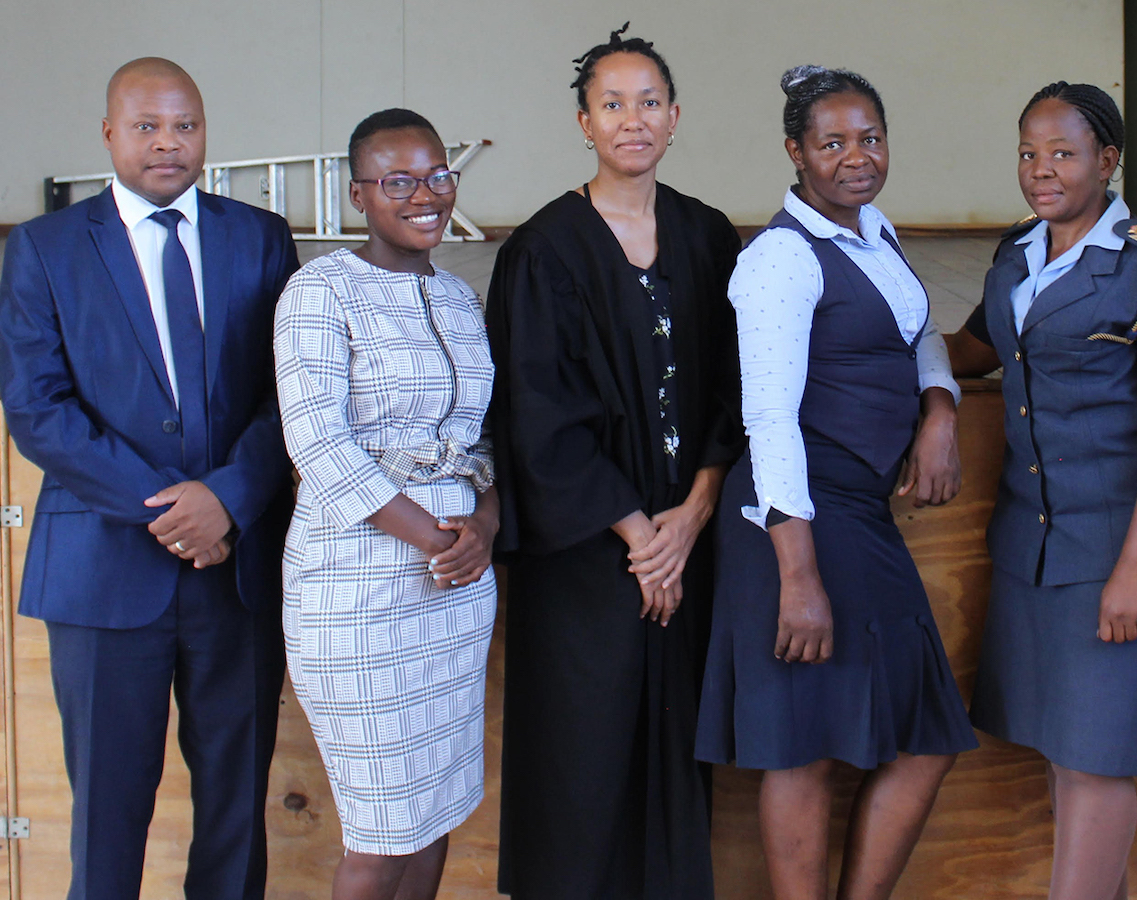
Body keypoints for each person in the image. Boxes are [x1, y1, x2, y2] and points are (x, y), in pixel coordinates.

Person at [0, 57, 297, 899]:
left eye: (186, 126)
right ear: (107, 135)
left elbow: (295, 394)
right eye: (147, 126)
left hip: (234, 573)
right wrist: (173, 510)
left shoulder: (259, 238)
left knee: (236, 813)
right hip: (102, 575)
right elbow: (37, 409)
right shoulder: (44, 248)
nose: (169, 143)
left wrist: (230, 500)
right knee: (106, 814)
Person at [694, 64, 977, 900]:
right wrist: (799, 574)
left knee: (925, 733)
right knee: (802, 744)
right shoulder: (782, 259)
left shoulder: (874, 233)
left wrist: (941, 409)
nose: (857, 157)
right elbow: (769, 419)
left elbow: (919, 328)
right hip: (797, 521)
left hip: (860, 515)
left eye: (870, 138)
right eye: (833, 143)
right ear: (796, 153)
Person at [485, 25, 742, 899]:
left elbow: (734, 397)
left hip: (687, 546)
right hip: (590, 556)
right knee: (582, 757)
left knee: (676, 754)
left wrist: (693, 516)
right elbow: (538, 412)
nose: (632, 119)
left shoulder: (709, 238)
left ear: (674, 117)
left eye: (648, 102)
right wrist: (641, 536)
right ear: (584, 122)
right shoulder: (543, 250)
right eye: (611, 104)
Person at [943, 82, 1137, 900]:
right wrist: (885, 361)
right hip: (1033, 548)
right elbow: (974, 351)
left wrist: (1134, 570)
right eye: (1029, 152)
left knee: (1096, 765)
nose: (1041, 171)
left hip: (1119, 550)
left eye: (1063, 153)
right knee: (1069, 757)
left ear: (1109, 159)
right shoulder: (1018, 253)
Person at [274, 108, 496, 900]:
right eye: (398, 180)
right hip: (358, 586)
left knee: (435, 813)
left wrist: (486, 527)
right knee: (380, 830)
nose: (424, 195)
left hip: (454, 593)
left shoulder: (462, 300)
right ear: (359, 193)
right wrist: (437, 537)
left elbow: (481, 441)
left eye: (438, 175)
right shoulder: (321, 291)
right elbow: (319, 446)